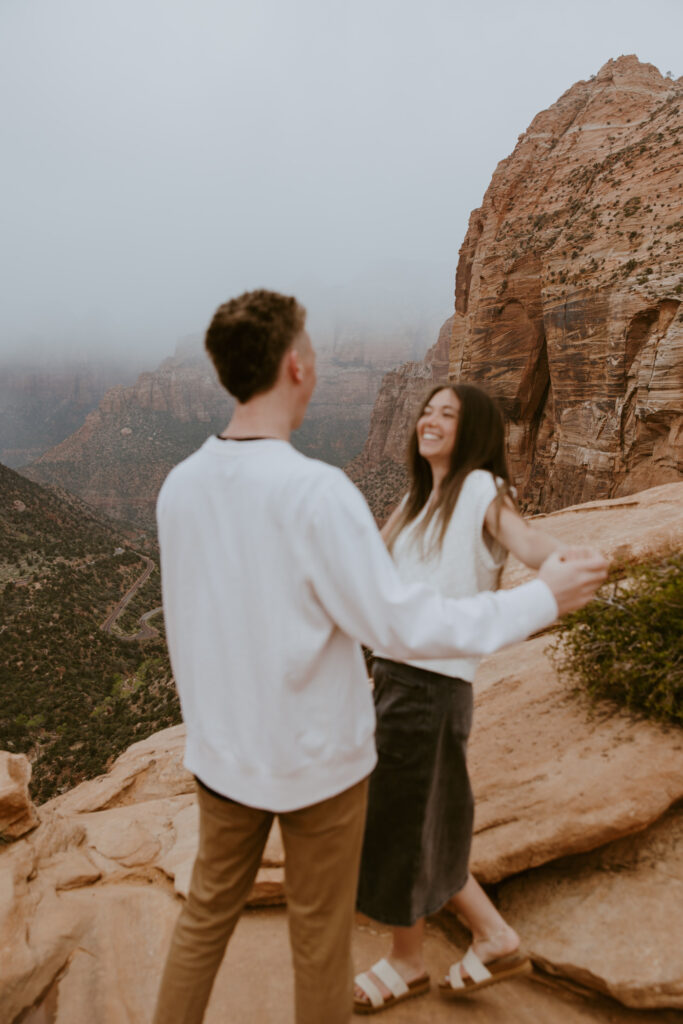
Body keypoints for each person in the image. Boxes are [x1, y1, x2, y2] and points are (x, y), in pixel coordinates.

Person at [151, 291, 608, 1024]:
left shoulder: (180, 486)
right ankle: (431, 948)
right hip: (318, 765)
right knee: (317, 937)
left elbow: (198, 620)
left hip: (220, 757)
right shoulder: (320, 492)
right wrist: (542, 599)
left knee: (205, 921)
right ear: (296, 365)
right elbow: (392, 622)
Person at [353, 383, 586, 1014]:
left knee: (403, 823)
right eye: (426, 411)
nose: (429, 420)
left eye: (446, 415)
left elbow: (528, 542)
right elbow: (364, 569)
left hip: (432, 688)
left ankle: (408, 961)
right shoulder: (411, 501)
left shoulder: (482, 489)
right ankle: (494, 936)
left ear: (474, 429)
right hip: (397, 681)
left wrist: (563, 563)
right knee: (417, 820)